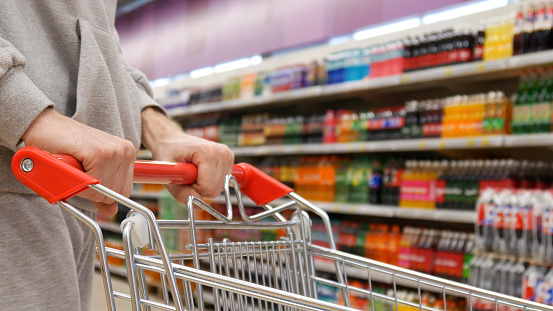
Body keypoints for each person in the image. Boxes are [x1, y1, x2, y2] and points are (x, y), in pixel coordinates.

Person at [0, 1, 234, 310]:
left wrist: (159, 130)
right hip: (16, 174)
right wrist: (29, 114)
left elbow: (102, 48)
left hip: (78, 196)